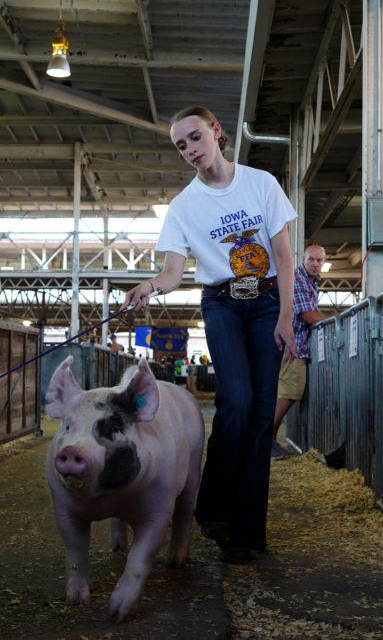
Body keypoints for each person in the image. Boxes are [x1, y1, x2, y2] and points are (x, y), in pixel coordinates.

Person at [120, 106, 297, 565]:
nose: (190, 151)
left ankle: (247, 533)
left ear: (217, 132)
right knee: (235, 401)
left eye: (195, 138)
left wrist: (285, 315)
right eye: (181, 146)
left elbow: (283, 255)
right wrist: (148, 286)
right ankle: (214, 506)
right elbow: (174, 273)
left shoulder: (261, 183)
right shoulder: (183, 207)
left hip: (264, 304)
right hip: (221, 301)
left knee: (261, 417)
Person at [272, 245, 330, 460]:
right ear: (303, 259)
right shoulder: (300, 280)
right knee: (289, 393)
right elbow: (308, 315)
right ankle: (267, 441)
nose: (315, 264)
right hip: (292, 346)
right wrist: (337, 319)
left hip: (293, 344)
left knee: (286, 393)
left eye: (320, 260)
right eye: (311, 260)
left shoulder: (310, 280)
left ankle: (268, 441)